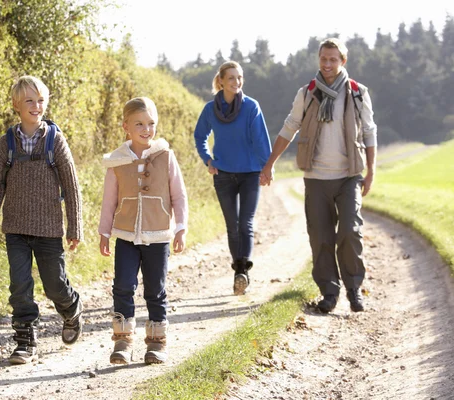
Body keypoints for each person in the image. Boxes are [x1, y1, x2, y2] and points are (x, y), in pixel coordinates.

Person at [260, 38, 377, 313]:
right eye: (323, 59)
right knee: (321, 237)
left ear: (342, 61)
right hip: (315, 177)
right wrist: (270, 164)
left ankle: (354, 288)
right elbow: (290, 127)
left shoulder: (358, 92)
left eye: (333, 59)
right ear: (318, 59)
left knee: (350, 232)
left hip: (349, 176)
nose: (327, 64)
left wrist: (371, 172)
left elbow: (370, 131)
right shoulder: (307, 93)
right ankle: (329, 292)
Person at [0, 75, 84, 364]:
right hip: (15, 230)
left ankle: (71, 308)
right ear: (16, 105)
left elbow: (72, 186)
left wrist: (75, 227)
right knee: (19, 286)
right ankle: (26, 340)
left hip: (49, 230)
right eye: (29, 101)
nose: (36, 106)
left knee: (54, 285)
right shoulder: (6, 144)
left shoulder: (55, 141)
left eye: (41, 100)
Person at [98, 97, 188, 365]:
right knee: (123, 287)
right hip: (125, 235)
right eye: (139, 123)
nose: (146, 129)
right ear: (126, 126)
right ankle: (123, 342)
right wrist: (104, 232)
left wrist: (180, 227)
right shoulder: (117, 161)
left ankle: (156, 343)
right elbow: (108, 200)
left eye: (151, 123)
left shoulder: (166, 157)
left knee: (155, 290)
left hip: (158, 235)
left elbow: (179, 195)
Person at [193, 60, 272, 296]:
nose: (236, 82)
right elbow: (200, 136)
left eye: (239, 78)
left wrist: (267, 167)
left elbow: (260, 139)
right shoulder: (210, 109)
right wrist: (208, 159)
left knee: (245, 223)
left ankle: (242, 272)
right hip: (223, 174)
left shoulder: (251, 107)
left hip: (249, 173)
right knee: (232, 226)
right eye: (231, 78)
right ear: (221, 81)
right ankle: (239, 270)